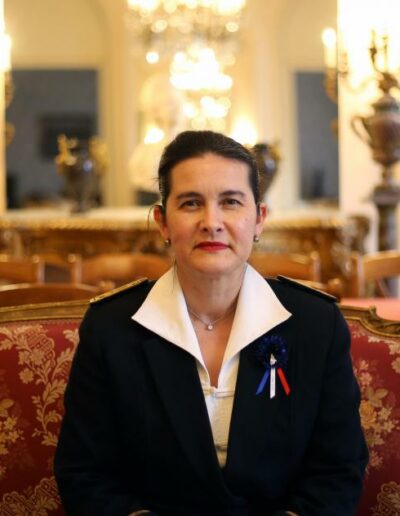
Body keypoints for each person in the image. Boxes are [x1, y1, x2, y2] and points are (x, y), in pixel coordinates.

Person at [54, 130, 368, 515]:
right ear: (162, 222)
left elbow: (338, 470)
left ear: (259, 219)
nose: (212, 222)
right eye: (191, 203)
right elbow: (84, 474)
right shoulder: (110, 328)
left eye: (231, 202)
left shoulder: (316, 324)